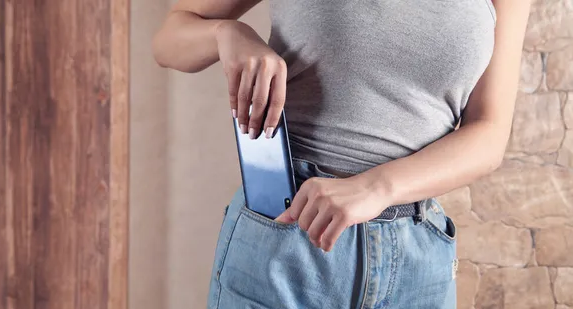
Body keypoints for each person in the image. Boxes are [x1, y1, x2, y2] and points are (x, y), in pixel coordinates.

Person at [153, 0, 531, 308]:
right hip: (288, 234)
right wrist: (228, 32)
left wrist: (376, 188)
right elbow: (170, 38)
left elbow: (489, 134)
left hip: (418, 262)